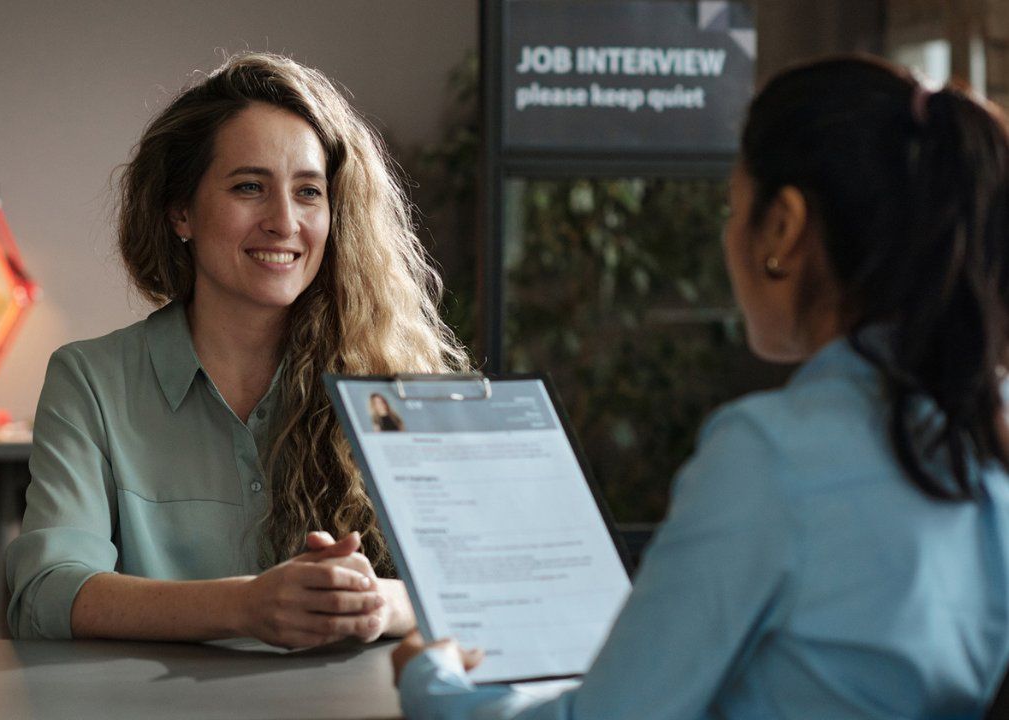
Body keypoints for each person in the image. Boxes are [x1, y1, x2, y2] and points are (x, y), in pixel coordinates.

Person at [393, 55, 1009, 719]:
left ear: (782, 227)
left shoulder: (771, 454)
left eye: (732, 206)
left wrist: (432, 682)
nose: (726, 234)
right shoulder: (985, 432)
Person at [5, 51, 467, 648]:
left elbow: (474, 585)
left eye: (309, 192)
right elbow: (44, 594)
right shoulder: (90, 379)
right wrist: (244, 604)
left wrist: (376, 603)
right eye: (250, 187)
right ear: (180, 212)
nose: (284, 221)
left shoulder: (393, 384)